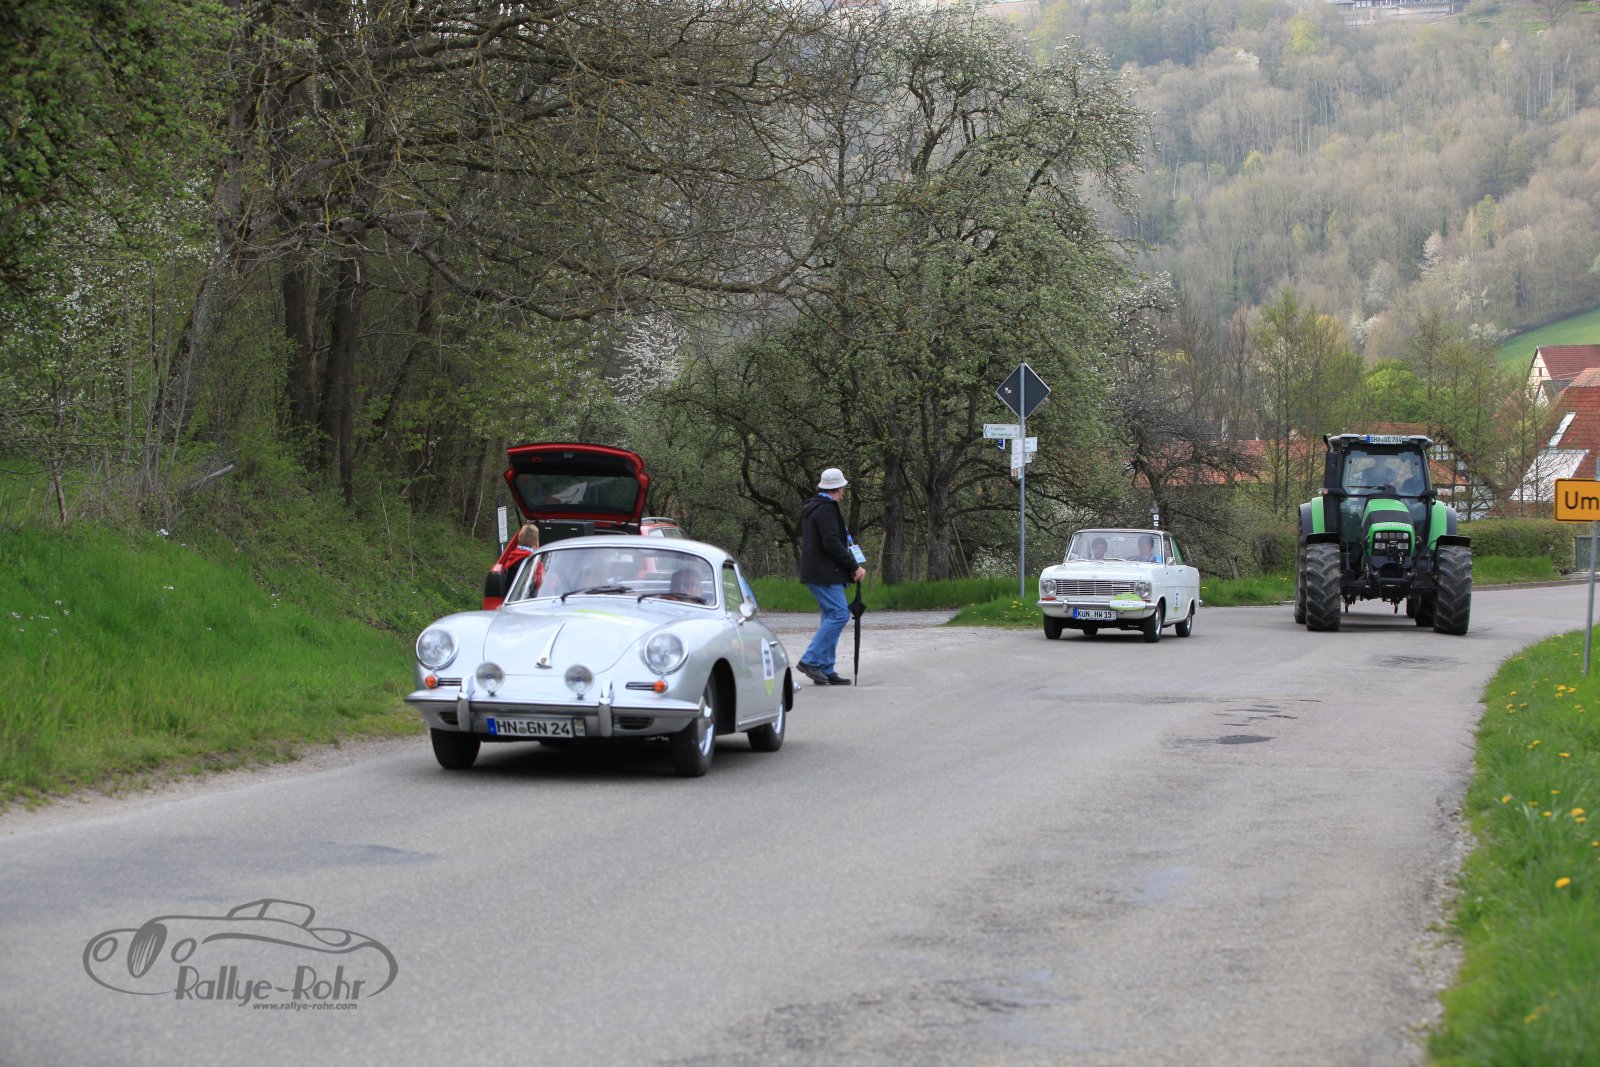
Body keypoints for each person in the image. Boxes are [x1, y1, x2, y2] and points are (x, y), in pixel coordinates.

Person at [797, 467, 866, 686]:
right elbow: (832, 542)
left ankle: (825, 668)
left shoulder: (819, 507)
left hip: (822, 572)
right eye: (843, 487)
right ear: (839, 488)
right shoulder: (826, 508)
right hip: (825, 573)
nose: (844, 490)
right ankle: (810, 660)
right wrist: (853, 566)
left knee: (830, 616)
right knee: (839, 614)